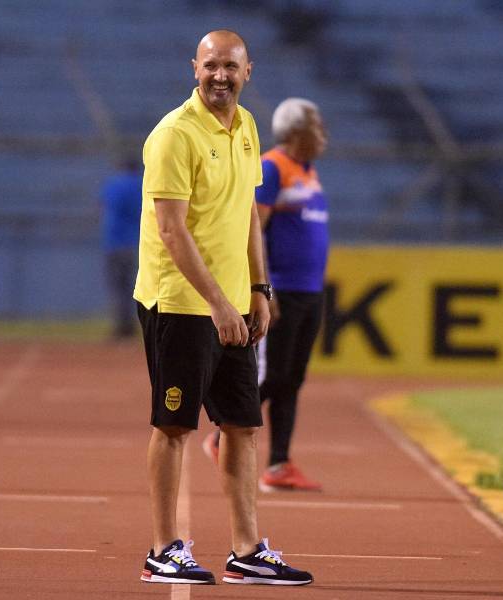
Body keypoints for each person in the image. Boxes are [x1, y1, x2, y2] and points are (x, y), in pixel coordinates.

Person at [134, 30, 313, 586]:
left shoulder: (248, 128)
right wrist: (218, 304)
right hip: (181, 303)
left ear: (248, 71)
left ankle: (247, 549)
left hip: (235, 305)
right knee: (174, 426)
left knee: (241, 426)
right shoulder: (174, 135)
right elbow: (170, 231)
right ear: (194, 68)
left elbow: (247, 220)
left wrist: (259, 291)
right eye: (211, 65)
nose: (220, 76)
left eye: (230, 67)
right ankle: (163, 548)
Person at [203, 97, 329, 493]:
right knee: (273, 375)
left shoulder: (308, 171)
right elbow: (253, 229)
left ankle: (279, 464)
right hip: (284, 291)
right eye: (315, 124)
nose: (323, 132)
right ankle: (222, 436)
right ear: (296, 131)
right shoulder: (273, 167)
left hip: (310, 290)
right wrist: (265, 287)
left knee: (292, 379)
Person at [100, 157, 143, 339]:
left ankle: (121, 327)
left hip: (115, 242)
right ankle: (132, 326)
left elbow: (103, 205)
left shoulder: (115, 184)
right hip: (136, 243)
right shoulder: (143, 184)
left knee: (118, 287)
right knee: (135, 288)